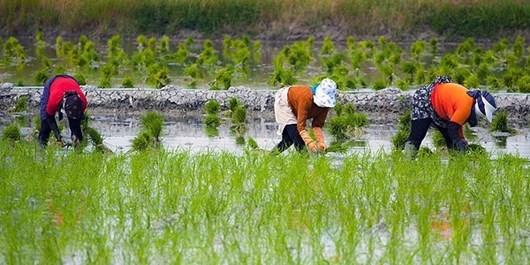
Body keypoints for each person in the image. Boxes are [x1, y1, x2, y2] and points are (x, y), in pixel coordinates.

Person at [404, 76, 497, 156]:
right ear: (480, 108)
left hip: (440, 108)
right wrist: (460, 141)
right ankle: (407, 163)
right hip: (425, 100)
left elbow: (457, 125)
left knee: (453, 141)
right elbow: (452, 127)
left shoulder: (469, 101)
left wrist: (461, 140)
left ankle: (456, 165)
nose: (481, 118)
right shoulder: (466, 105)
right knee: (417, 136)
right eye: (483, 114)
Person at [273, 78, 337, 153]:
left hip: (295, 106)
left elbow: (317, 125)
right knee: (297, 138)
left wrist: (321, 142)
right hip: (284, 102)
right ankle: (305, 160)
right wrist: (310, 143)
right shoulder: (306, 98)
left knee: (288, 141)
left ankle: (268, 158)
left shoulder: (326, 106)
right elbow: (301, 126)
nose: (323, 105)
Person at [39, 74, 87, 147]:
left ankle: (78, 147)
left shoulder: (83, 101)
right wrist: (58, 136)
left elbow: (77, 121)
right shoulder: (54, 100)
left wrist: (76, 135)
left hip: (71, 81)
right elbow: (49, 117)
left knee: (75, 124)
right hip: (54, 82)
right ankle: (42, 144)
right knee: (45, 119)